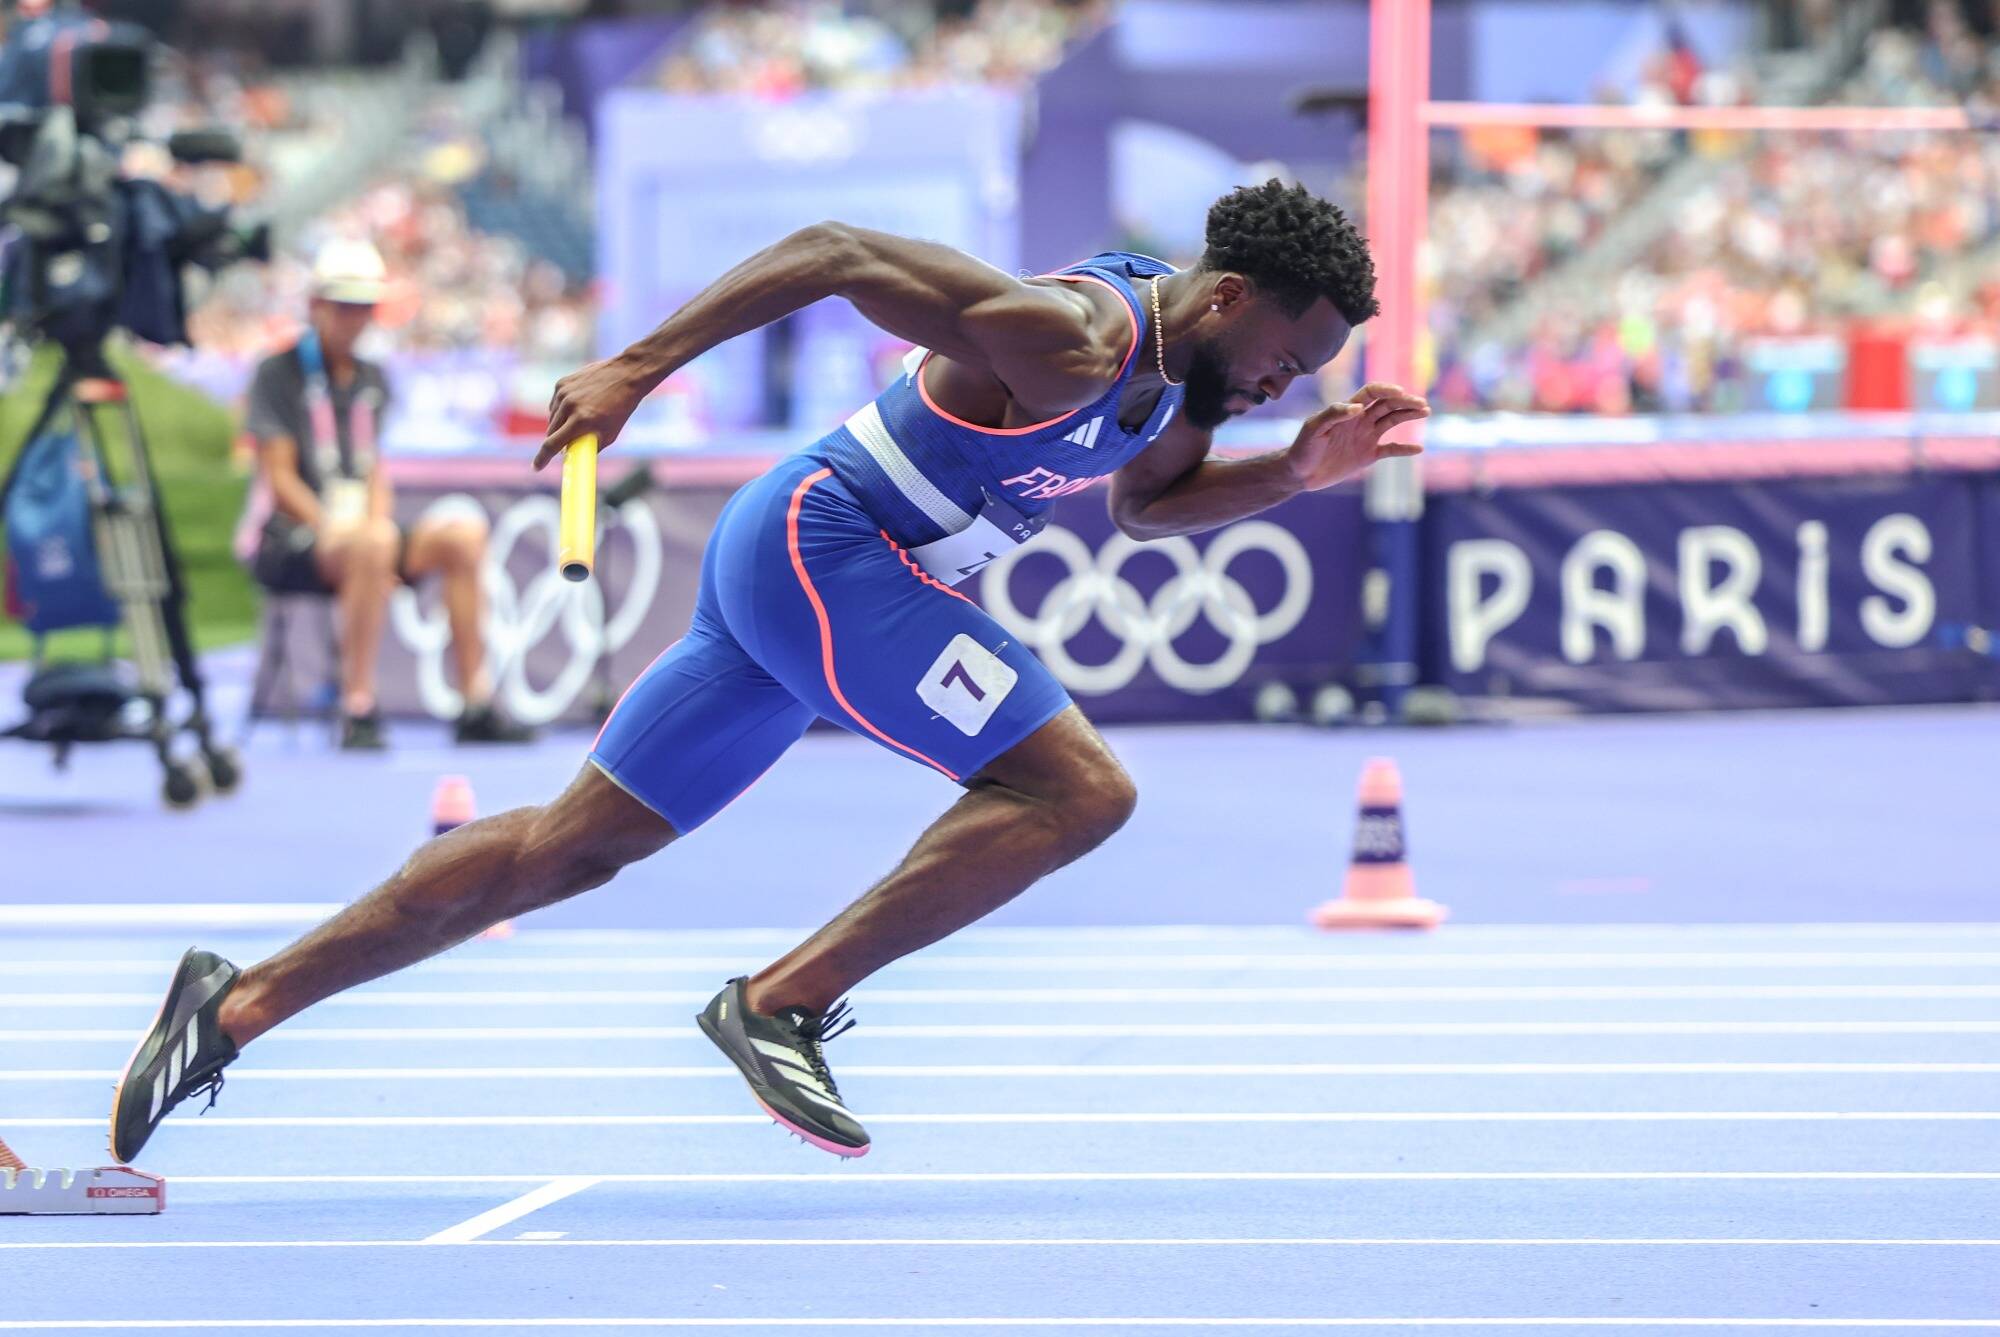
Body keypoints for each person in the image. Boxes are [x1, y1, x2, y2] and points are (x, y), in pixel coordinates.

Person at [111, 181, 1426, 1163]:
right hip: (829, 546)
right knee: (1078, 791)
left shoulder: (1177, 382)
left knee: (567, 852)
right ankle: (781, 1003)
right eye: (1287, 363)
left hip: (823, 581)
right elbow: (835, 252)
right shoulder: (1069, 337)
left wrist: (1298, 474)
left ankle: (234, 1005)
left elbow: (1148, 506)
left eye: (1301, 381)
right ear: (1233, 299)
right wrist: (634, 366)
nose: (1281, 386)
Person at [245, 238, 531, 749]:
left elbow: (371, 466)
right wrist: (343, 531)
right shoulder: (277, 373)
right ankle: (358, 706)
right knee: (372, 542)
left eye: (363, 309)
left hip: (359, 531)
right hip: (294, 538)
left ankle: (476, 702)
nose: (355, 320)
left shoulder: (374, 378)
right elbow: (280, 478)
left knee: (462, 537)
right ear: (316, 306)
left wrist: (374, 524)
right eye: (343, 308)